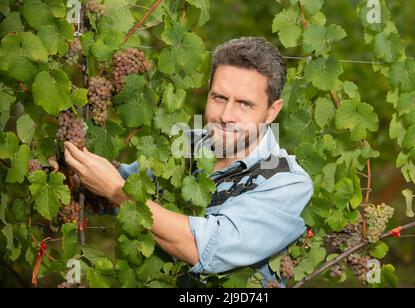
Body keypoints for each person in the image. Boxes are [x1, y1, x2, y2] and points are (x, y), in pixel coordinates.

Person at [64, 36, 314, 287]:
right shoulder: (189, 145)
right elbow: (129, 183)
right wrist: (74, 170)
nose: (226, 115)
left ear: (272, 111)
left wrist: (116, 191)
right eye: (219, 98)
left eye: (244, 104)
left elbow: (207, 249)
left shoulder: (286, 180)